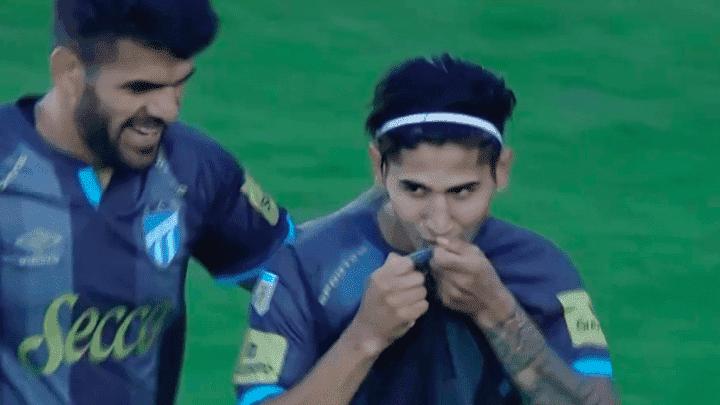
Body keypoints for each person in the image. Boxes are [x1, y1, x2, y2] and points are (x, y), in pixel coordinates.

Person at [233, 54, 616, 404]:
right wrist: (365, 337)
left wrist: (498, 312)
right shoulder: (303, 267)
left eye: (462, 191)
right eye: (415, 190)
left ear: (501, 170)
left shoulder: (542, 268)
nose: (439, 221)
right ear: (379, 168)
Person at [0, 0, 295, 403]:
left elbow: (303, 275)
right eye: (140, 88)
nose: (168, 110)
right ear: (69, 72)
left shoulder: (193, 167)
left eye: (179, 83)